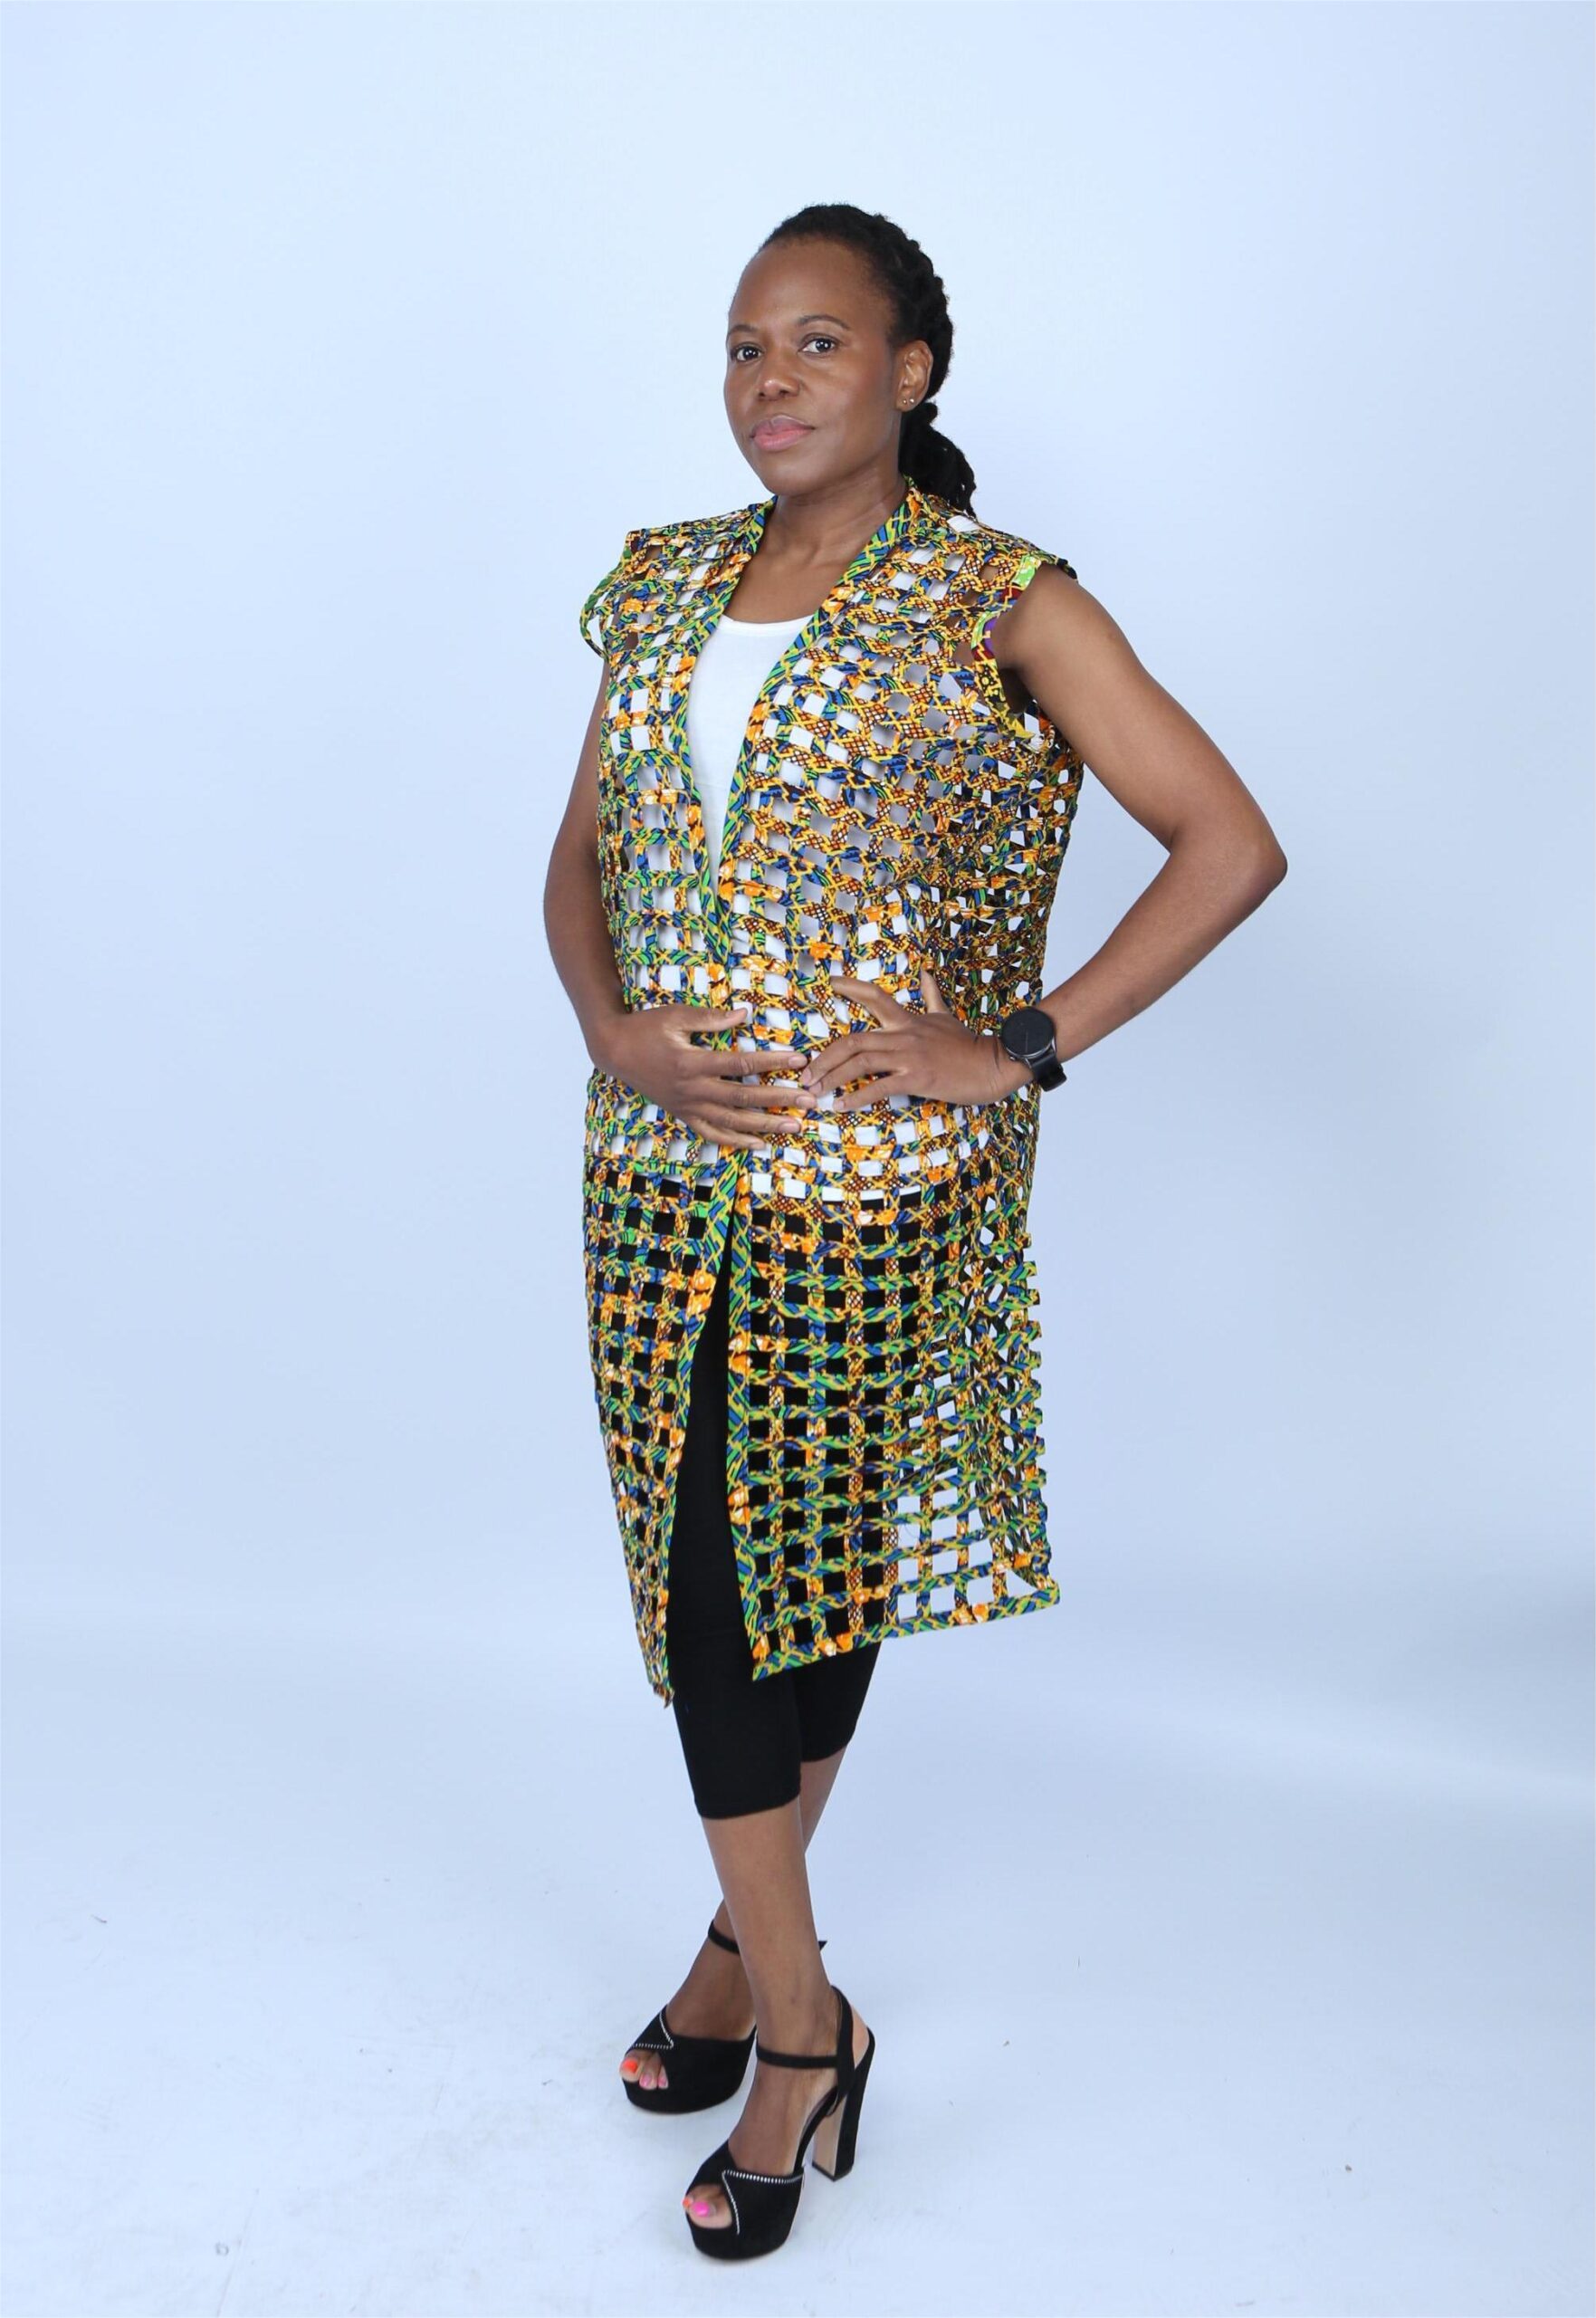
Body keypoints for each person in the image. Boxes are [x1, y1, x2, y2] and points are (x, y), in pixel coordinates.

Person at [545, 201, 1288, 2261]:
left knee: (777, 1579)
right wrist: (614, 1031)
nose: (771, 379)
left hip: (877, 1189)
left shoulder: (997, 597)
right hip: (659, 1174)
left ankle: (798, 2030)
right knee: (727, 1573)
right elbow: (579, 857)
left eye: (817, 341)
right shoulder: (662, 583)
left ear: (909, 370)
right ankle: (751, 1961)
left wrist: (1015, 1045)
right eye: (744, 344)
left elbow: (1226, 841)